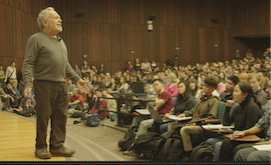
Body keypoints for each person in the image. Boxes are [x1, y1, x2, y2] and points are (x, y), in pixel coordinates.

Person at [23, 7, 88, 159]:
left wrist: (77, 79)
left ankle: (57, 146)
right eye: (56, 18)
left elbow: (65, 65)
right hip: (43, 83)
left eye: (60, 17)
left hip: (61, 84)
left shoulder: (61, 42)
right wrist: (27, 83)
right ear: (45, 22)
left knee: (61, 116)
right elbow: (28, 63)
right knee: (43, 117)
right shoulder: (36, 39)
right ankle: (40, 147)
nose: (60, 20)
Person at [163, 76, 220, 159]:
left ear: (212, 88)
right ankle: (174, 150)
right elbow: (193, 110)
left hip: (202, 126)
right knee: (171, 126)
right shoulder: (203, 99)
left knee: (184, 130)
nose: (203, 87)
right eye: (203, 85)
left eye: (206, 86)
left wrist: (196, 123)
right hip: (194, 122)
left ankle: (188, 153)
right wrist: (185, 114)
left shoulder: (214, 101)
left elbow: (211, 117)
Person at [124, 79, 173, 155]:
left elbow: (158, 103)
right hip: (157, 116)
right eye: (154, 85)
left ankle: (136, 148)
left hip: (163, 118)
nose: (155, 86)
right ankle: (132, 140)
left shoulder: (165, 94)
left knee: (144, 124)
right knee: (136, 119)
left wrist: (156, 96)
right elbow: (155, 109)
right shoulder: (159, 95)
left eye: (157, 84)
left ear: (162, 85)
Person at [218, 82, 263, 161]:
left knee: (227, 143)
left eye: (236, 91)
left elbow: (250, 130)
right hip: (240, 137)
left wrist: (237, 134)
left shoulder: (252, 108)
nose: (234, 94)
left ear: (245, 94)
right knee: (226, 142)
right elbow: (226, 124)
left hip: (249, 138)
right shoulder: (238, 107)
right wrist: (228, 108)